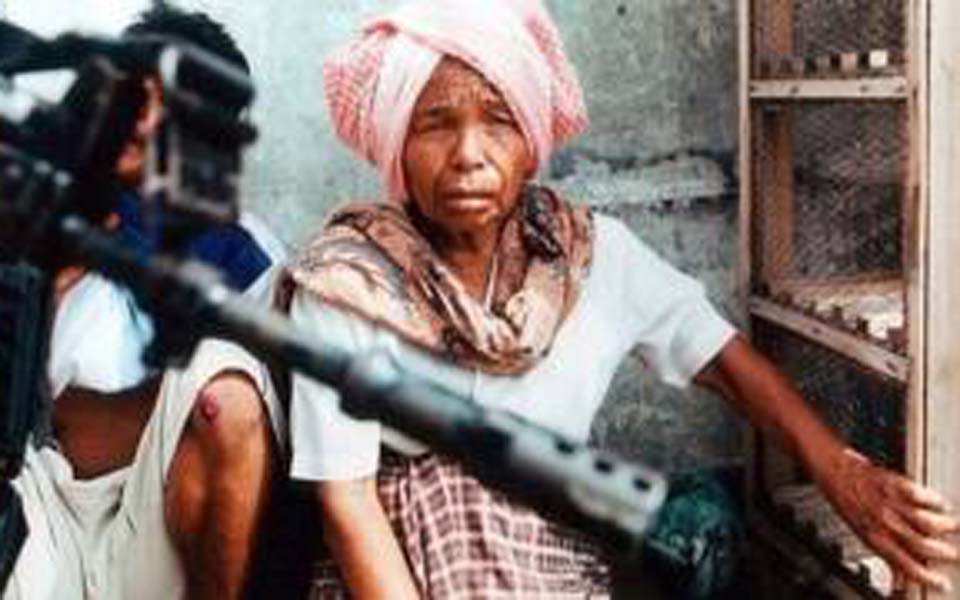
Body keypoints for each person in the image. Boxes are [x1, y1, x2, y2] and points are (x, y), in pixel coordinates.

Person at [279, 0, 960, 597]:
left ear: (531, 144)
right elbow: (347, 500)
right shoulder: (348, 285)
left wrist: (840, 473)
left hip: (550, 560)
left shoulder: (589, 257)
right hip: (392, 569)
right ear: (396, 141)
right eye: (434, 124)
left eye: (498, 121)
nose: (468, 154)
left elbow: (721, 360)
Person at [2, 7, 285, 600]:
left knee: (227, 391)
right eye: (137, 97)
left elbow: (246, 430)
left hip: (153, 508)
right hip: (29, 496)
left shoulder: (241, 256)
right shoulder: (27, 196)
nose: (147, 125)